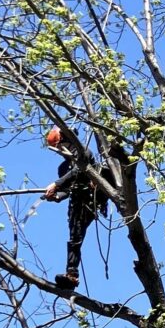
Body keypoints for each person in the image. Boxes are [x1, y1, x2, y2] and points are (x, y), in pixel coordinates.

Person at [42, 123, 113, 295]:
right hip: (76, 202)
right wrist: (57, 196)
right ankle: (71, 275)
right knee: (74, 237)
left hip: (90, 199)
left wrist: (56, 184)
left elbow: (78, 170)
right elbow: (67, 189)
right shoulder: (63, 168)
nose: (61, 150)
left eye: (61, 146)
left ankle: (72, 273)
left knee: (76, 236)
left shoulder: (84, 154)